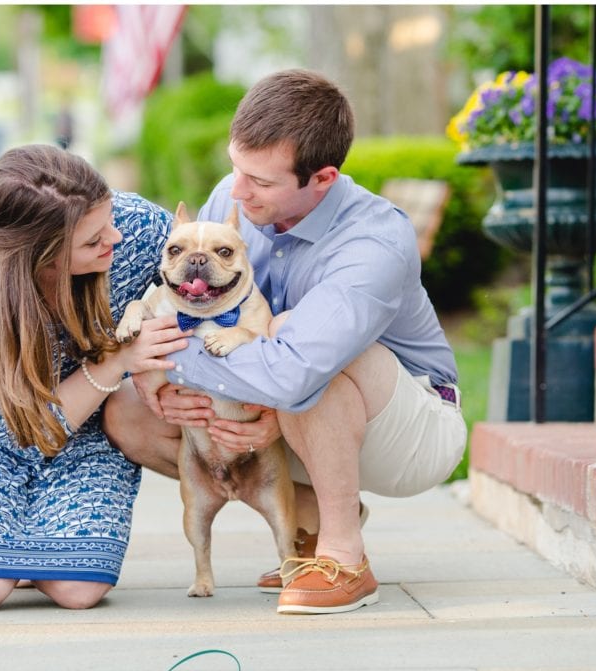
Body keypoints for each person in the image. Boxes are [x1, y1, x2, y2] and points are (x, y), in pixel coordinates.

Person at [105, 69, 467, 615]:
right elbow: (190, 307)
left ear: (322, 178)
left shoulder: (372, 241)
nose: (238, 189)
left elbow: (294, 372)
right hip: (282, 402)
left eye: (262, 181)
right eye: (236, 168)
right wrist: (154, 373)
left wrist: (174, 357)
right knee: (129, 411)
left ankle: (345, 558)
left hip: (410, 428)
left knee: (306, 353)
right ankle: (309, 519)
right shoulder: (234, 198)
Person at [0, 144, 190, 612]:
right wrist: (116, 362)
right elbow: (26, 431)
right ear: (42, 256)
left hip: (87, 420)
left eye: (109, 219)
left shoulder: (138, 230)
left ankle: (17, 542)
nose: (114, 238)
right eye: (93, 240)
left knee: (79, 590)